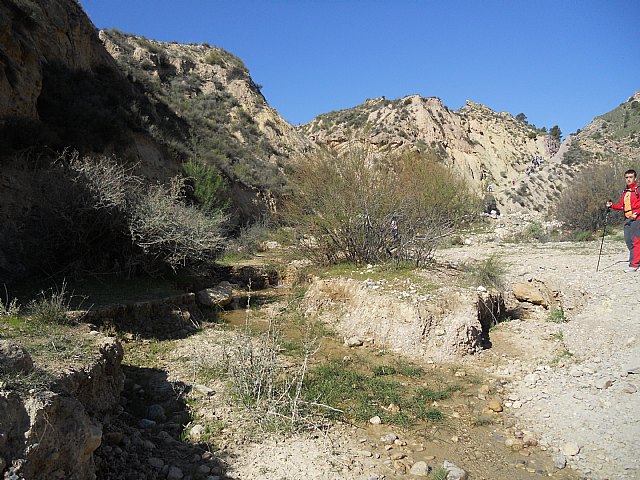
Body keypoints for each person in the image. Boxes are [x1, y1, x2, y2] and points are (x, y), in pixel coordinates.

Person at [607, 169, 640, 272]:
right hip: (627, 219)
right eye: (627, 177)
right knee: (628, 241)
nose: (628, 179)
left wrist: (637, 213)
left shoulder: (638, 189)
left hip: (637, 219)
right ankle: (636, 261)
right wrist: (612, 206)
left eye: (630, 177)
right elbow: (622, 206)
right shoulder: (625, 191)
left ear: (635, 178)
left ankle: (634, 264)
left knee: (636, 241)